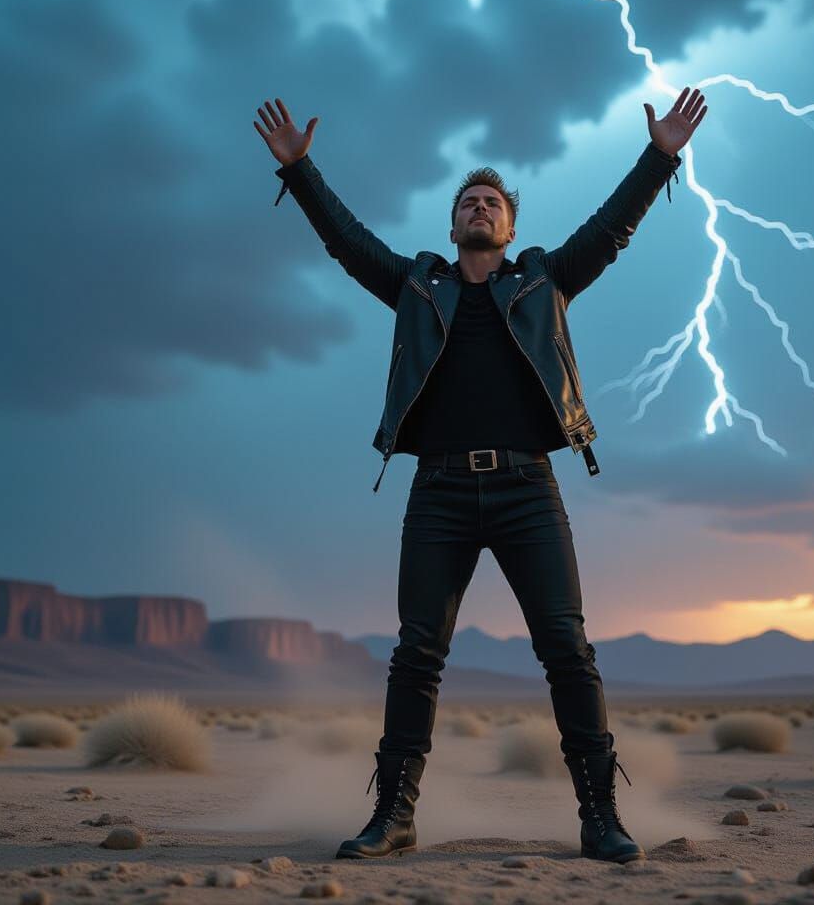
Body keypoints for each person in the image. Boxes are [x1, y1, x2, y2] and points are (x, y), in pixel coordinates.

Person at [255, 89, 708, 864]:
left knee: (566, 647)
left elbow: (613, 228)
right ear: (453, 224)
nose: (478, 207)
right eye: (468, 200)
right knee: (417, 652)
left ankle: (600, 816)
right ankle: (393, 815)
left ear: (510, 227)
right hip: (437, 493)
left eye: (491, 201)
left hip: (528, 489)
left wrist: (661, 154)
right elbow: (346, 241)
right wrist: (300, 171)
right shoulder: (414, 286)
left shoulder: (545, 281)